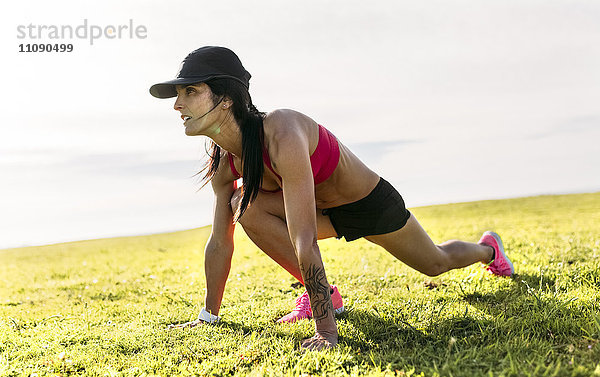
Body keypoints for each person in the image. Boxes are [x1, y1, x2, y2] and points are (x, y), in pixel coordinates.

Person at [149, 46, 514, 351]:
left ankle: (488, 250)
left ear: (226, 99)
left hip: (368, 204)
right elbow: (219, 241)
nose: (177, 104)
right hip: (326, 214)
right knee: (244, 206)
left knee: (435, 263)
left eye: (190, 92)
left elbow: (303, 238)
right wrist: (208, 317)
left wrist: (326, 332)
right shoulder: (225, 163)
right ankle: (326, 296)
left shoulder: (282, 132)